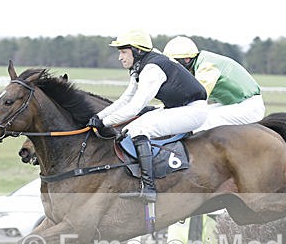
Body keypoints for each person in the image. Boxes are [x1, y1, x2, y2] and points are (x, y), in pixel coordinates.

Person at [88, 29, 208, 203]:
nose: (120, 57)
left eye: (123, 52)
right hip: (177, 108)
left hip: (192, 111)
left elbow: (134, 107)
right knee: (130, 128)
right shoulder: (140, 65)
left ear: (137, 50)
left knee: (139, 130)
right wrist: (98, 117)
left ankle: (149, 188)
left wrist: (104, 123)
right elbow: (126, 99)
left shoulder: (152, 69)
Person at [163, 36, 265, 131]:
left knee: (202, 120)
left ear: (187, 59)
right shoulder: (198, 64)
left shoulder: (207, 66)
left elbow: (197, 96)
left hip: (249, 107)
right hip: (236, 104)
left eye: (175, 63)